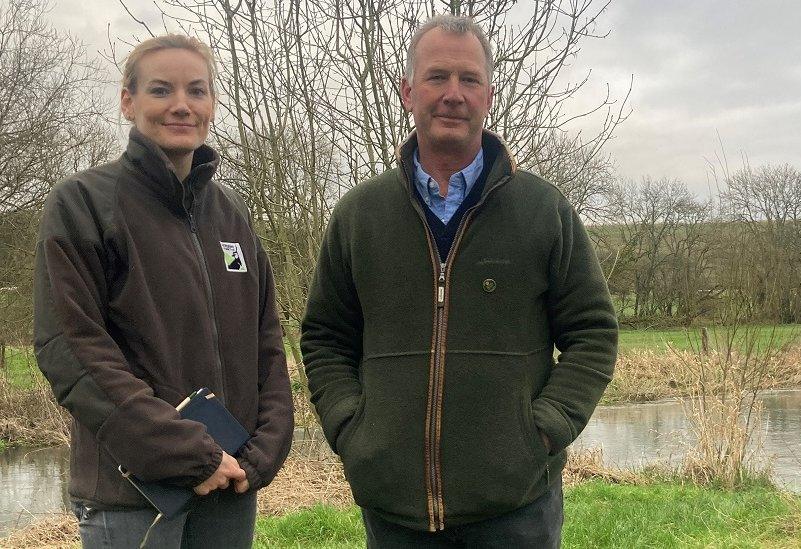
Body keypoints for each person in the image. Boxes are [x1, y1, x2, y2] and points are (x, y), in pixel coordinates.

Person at [301, 15, 618, 548]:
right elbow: (324, 337)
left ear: (488, 96)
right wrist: (352, 429)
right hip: (394, 510)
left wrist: (541, 430)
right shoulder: (360, 214)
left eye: (469, 80)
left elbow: (593, 333)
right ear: (407, 92)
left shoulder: (543, 211)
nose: (453, 94)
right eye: (437, 77)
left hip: (516, 508)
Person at [33, 34, 294, 548]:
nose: (181, 105)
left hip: (230, 485)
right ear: (128, 101)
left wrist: (264, 450)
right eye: (161, 90)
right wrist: (187, 452)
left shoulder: (231, 214)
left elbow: (266, 341)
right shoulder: (83, 204)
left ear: (212, 105)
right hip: (134, 496)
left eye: (197, 91)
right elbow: (71, 348)